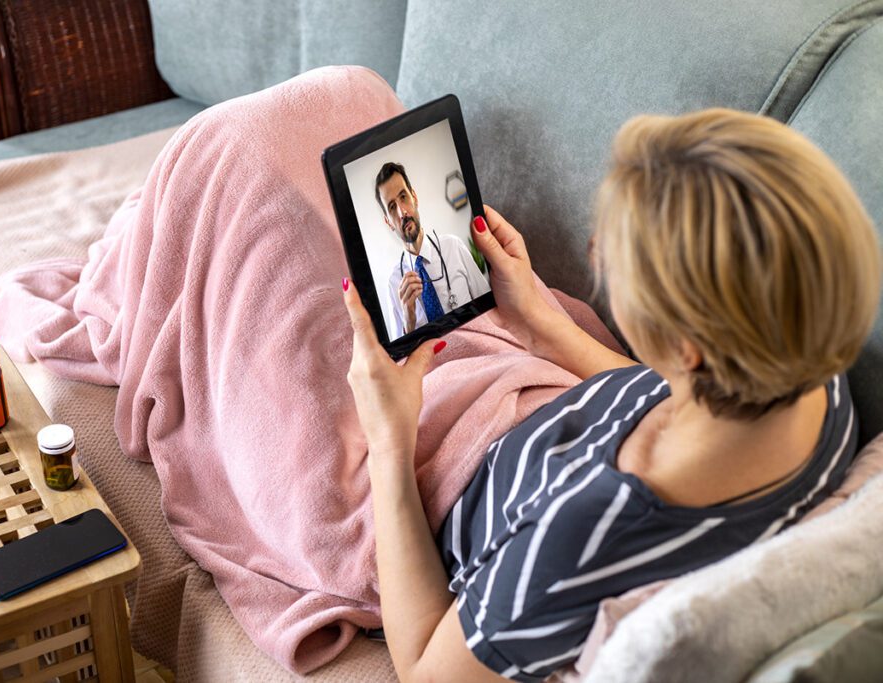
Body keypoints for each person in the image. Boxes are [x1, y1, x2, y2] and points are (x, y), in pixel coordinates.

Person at [342, 109, 881, 681]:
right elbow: (673, 392)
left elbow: (428, 670)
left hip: (430, 486)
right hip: (529, 385)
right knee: (345, 102)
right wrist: (542, 326)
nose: (596, 246)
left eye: (615, 258)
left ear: (686, 345)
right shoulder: (815, 374)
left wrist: (388, 440)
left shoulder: (578, 540)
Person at [376, 162, 491, 337]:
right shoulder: (394, 284)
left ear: (414, 197)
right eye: (392, 207)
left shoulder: (454, 247)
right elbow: (401, 358)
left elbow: (489, 307)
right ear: (388, 222)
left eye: (403, 197)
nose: (402, 213)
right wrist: (409, 320)